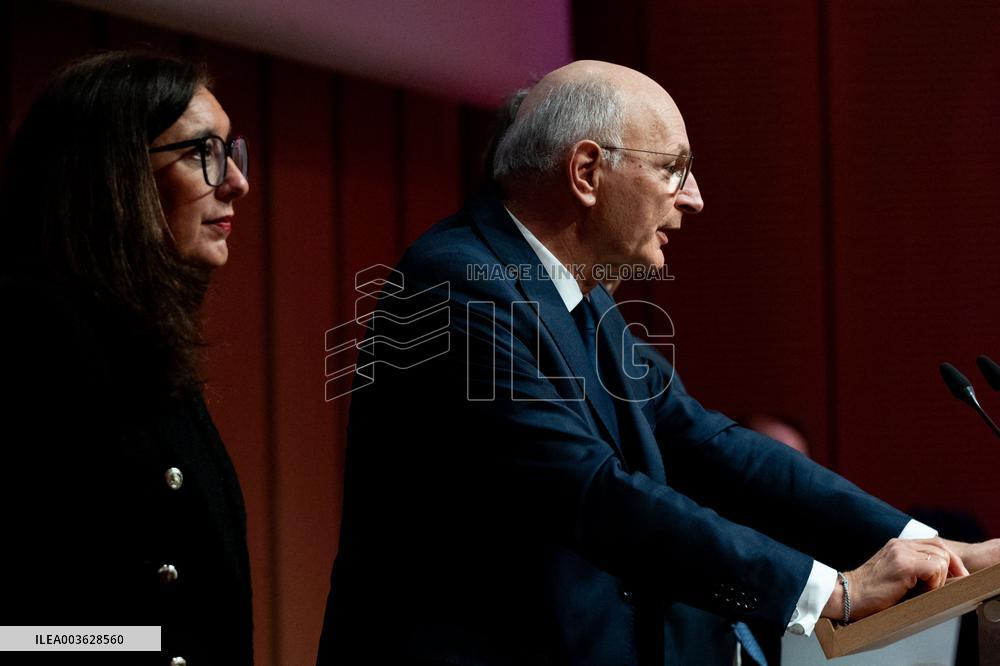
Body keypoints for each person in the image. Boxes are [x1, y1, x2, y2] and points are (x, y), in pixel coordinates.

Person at [317, 60, 1000, 665]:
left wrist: (933, 548)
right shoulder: (457, 286)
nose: (694, 196)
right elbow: (593, 493)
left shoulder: (578, 295)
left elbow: (709, 444)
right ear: (587, 173)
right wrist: (832, 592)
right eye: (673, 168)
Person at [0, 52, 252, 665]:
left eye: (231, 152)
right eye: (203, 152)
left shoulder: (142, 340)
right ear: (113, 172)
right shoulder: (26, 347)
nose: (236, 182)